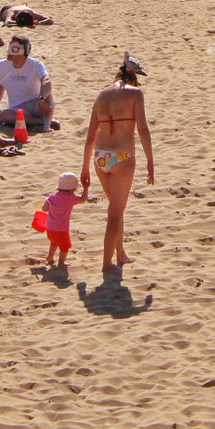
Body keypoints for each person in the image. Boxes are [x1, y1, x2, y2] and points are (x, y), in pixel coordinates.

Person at [80, 52, 154, 273]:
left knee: (116, 208)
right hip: (122, 158)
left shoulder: (101, 96)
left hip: (100, 157)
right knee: (114, 214)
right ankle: (106, 264)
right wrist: (150, 161)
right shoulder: (136, 94)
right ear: (133, 77)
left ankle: (120, 253)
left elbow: (90, 135)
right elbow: (142, 128)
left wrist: (85, 167)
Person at [0, 35, 58, 131]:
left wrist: (41, 99)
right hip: (19, 109)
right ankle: (43, 122)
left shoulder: (35, 64)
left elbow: (46, 81)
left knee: (48, 94)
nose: (9, 50)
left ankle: (44, 119)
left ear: (22, 52)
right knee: (4, 116)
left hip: (37, 105)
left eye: (13, 48)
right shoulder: (2, 65)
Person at [40, 172, 88, 267]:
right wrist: (86, 188)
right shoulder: (70, 198)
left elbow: (44, 209)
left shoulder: (52, 196)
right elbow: (83, 199)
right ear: (73, 188)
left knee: (54, 243)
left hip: (49, 227)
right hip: (61, 229)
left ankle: (50, 257)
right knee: (64, 247)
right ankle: (61, 263)